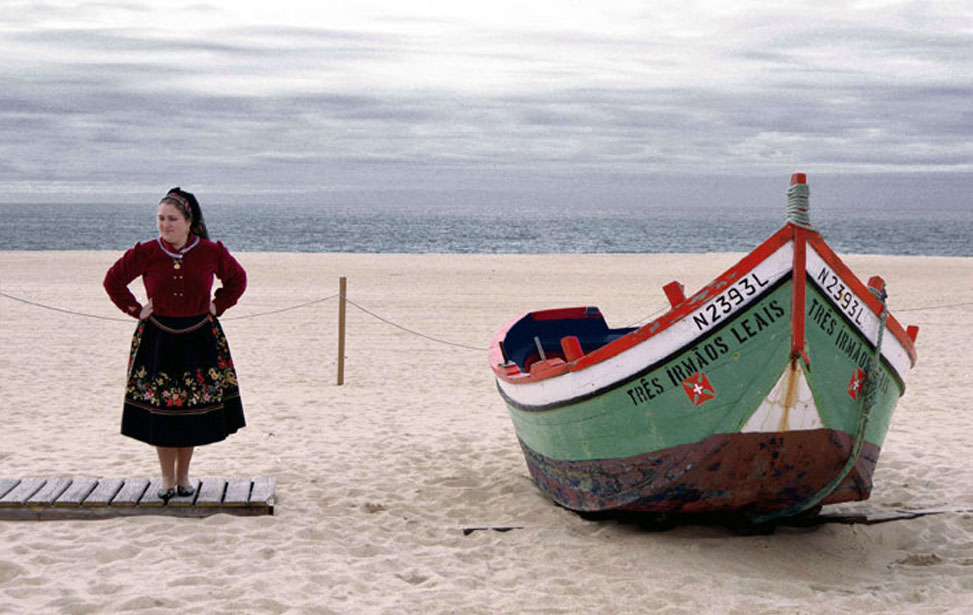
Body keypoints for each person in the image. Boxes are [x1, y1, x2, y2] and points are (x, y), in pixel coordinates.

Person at [104, 187, 247, 502]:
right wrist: (135, 310)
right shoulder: (146, 252)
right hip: (158, 339)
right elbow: (112, 281)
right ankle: (167, 480)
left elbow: (237, 280)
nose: (165, 225)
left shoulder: (211, 251)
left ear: (188, 221)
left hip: (200, 338)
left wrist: (217, 305)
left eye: (172, 219)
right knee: (164, 412)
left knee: (192, 411)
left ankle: (184, 478)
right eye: (160, 219)